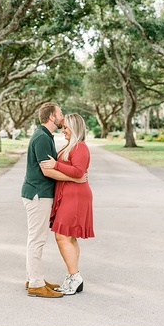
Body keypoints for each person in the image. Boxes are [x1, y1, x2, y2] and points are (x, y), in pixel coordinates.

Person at [21, 102, 86, 298]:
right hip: (37, 194)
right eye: (59, 113)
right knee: (37, 239)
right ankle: (35, 284)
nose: (62, 116)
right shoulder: (41, 137)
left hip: (41, 194)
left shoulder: (45, 136)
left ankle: (34, 278)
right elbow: (47, 170)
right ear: (51, 116)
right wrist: (75, 178)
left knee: (37, 238)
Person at [40, 113, 94, 295]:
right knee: (69, 237)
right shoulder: (70, 146)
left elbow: (79, 172)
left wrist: (56, 165)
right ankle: (73, 277)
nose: (63, 130)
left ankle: (75, 276)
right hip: (69, 194)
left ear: (75, 127)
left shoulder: (80, 148)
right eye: (63, 127)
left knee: (62, 236)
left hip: (76, 196)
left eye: (66, 127)